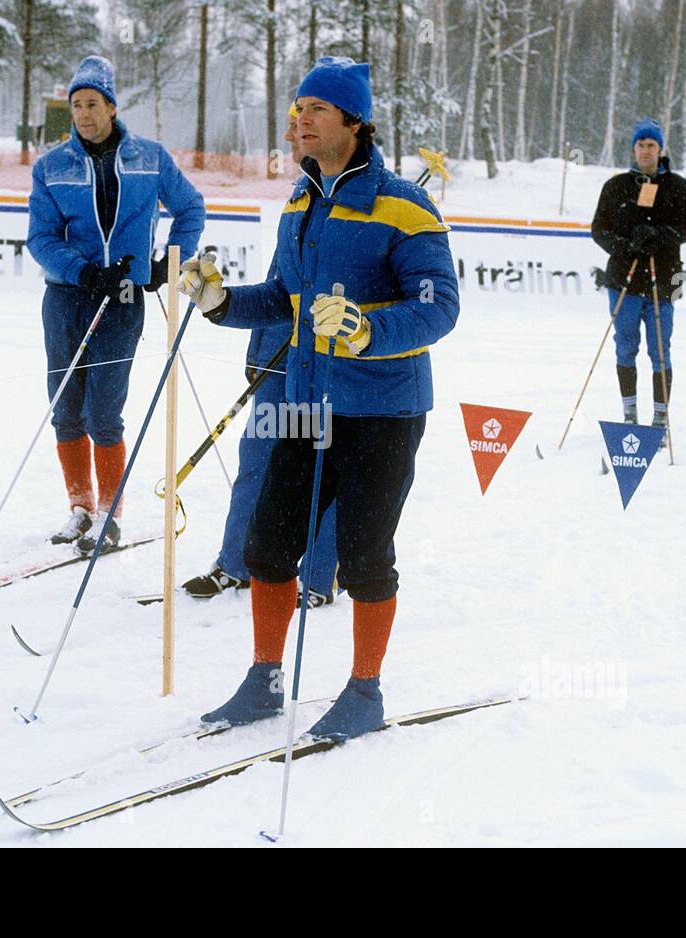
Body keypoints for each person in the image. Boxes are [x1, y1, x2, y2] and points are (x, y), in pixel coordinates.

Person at [177, 57, 460, 741]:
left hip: (383, 410)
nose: (299, 120)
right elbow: (283, 298)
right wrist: (219, 302)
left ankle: (365, 692)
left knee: (364, 559)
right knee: (267, 549)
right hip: (305, 403)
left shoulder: (404, 205)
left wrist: (367, 330)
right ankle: (265, 680)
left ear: (354, 124)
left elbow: (439, 307)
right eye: (297, 107)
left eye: (316, 110)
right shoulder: (302, 203)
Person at [27, 55, 205, 553]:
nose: (83, 114)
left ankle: (109, 513)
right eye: (75, 105)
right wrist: (82, 270)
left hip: (125, 298)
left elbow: (191, 207)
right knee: (65, 406)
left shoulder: (149, 157)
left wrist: (168, 263)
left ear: (111, 105)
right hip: (67, 297)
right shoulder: (51, 166)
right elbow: (40, 237)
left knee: (103, 410)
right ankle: (80, 508)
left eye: (91, 104)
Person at [180, 104, 339, 607]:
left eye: (302, 127)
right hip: (277, 357)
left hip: (325, 362)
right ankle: (238, 563)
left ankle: (316, 577)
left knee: (319, 468)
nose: (292, 137)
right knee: (258, 461)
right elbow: (278, 287)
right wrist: (255, 346)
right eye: (290, 128)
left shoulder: (350, 199)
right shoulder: (299, 196)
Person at [590, 118, 686, 446]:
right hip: (623, 279)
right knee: (625, 347)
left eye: (652, 145)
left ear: (661, 149)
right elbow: (598, 229)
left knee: (660, 351)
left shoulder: (678, 187)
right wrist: (625, 244)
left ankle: (660, 417)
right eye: (641, 145)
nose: (646, 151)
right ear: (634, 148)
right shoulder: (616, 186)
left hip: (663, 281)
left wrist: (662, 235)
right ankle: (629, 413)